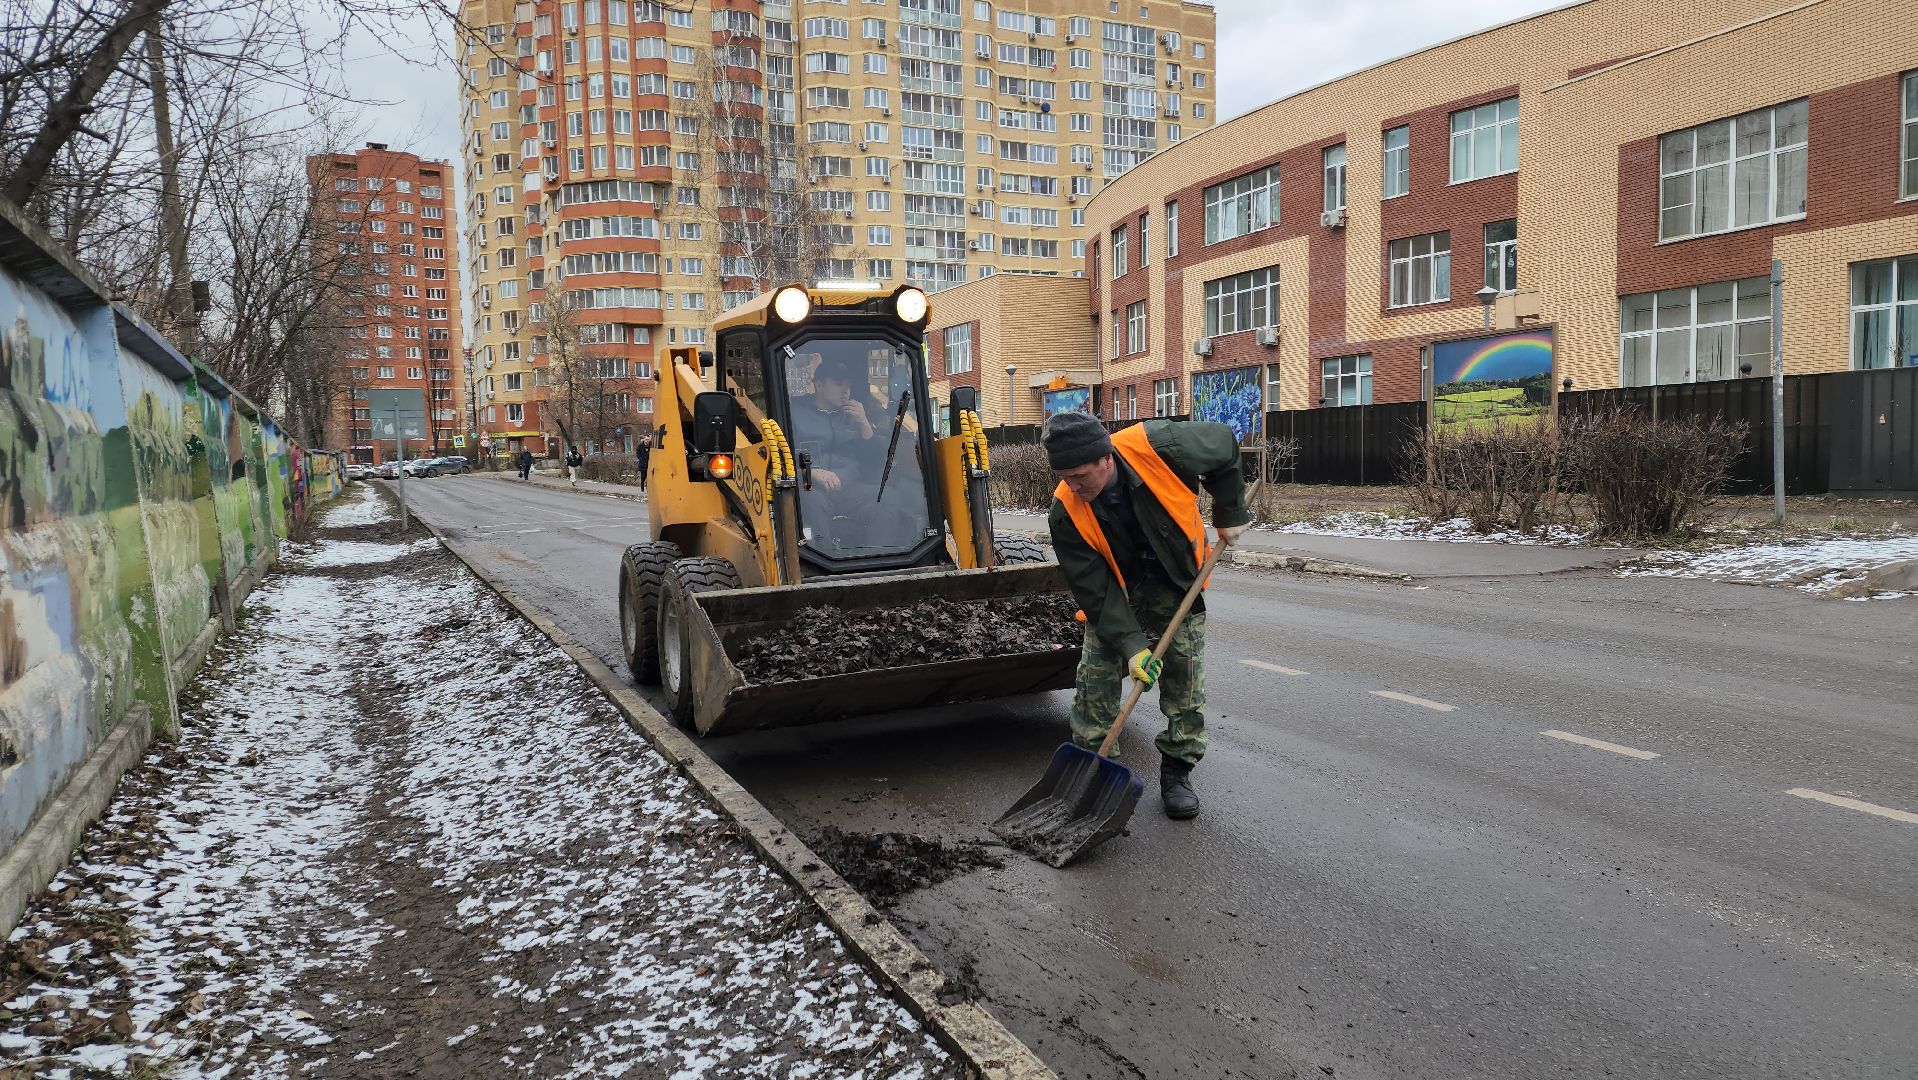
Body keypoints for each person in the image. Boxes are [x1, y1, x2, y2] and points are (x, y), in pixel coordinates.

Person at [1043, 412, 1250, 820]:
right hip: (1118, 591)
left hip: (1177, 584)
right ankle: (1095, 774)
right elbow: (1095, 591)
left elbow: (1224, 445)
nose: (1073, 486)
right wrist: (1133, 648)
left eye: (1080, 476)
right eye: (1065, 477)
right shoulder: (1065, 511)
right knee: (1094, 685)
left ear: (1107, 459)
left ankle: (1177, 771)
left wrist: (1230, 512)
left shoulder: (1161, 445)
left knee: (1184, 684)